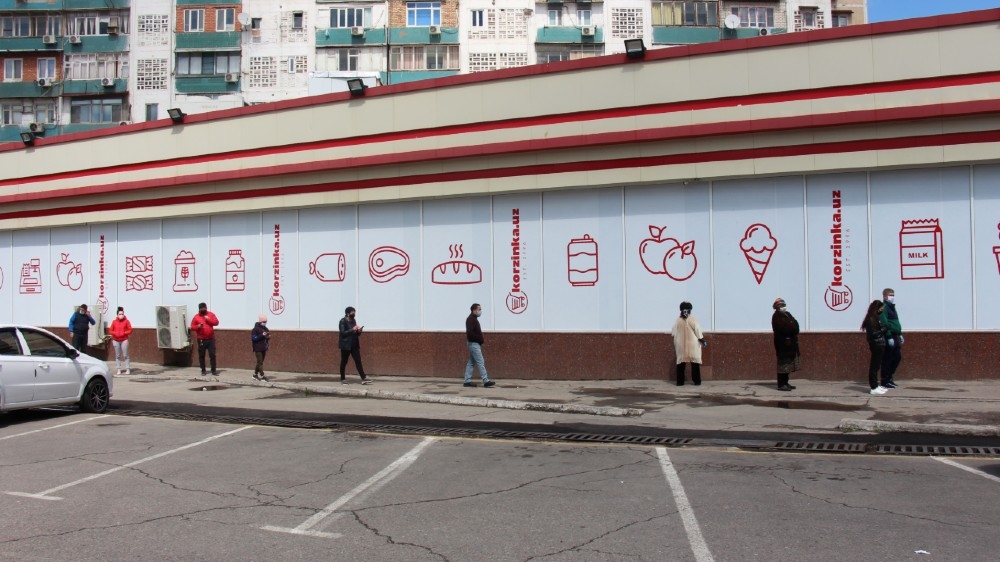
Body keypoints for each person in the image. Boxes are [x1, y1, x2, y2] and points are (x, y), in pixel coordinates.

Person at [671, 301, 707, 386]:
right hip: (693, 345)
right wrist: (702, 340)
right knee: (695, 363)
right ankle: (697, 381)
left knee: (681, 363)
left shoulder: (677, 321)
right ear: (690, 309)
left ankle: (680, 382)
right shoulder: (693, 319)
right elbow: (698, 331)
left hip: (681, 345)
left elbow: (673, 332)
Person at [771, 297, 800, 392]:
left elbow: (795, 325)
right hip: (783, 344)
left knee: (788, 365)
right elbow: (783, 328)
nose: (784, 307)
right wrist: (791, 329)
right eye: (781, 305)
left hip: (791, 344)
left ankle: (786, 382)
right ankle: (781, 384)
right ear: (777, 307)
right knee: (783, 364)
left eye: (784, 305)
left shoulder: (787, 314)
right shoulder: (776, 316)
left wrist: (792, 328)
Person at [463, 303, 495, 388]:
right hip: (473, 344)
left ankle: (467, 381)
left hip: (474, 344)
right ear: (474, 310)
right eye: (479, 309)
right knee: (481, 361)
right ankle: (485, 380)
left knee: (471, 363)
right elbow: (470, 334)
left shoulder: (473, 319)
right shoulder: (471, 320)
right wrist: (479, 339)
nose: (480, 311)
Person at [862, 300, 889, 395]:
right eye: (881, 308)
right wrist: (883, 330)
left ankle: (876, 385)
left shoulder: (876, 318)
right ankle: (873, 387)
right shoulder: (871, 319)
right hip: (876, 344)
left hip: (880, 344)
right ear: (876, 308)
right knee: (874, 366)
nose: (881, 310)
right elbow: (873, 334)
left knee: (877, 366)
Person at [339, 306, 371, 385]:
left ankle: (364, 378)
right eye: (352, 313)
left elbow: (355, 332)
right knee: (344, 361)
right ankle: (343, 379)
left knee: (358, 361)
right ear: (347, 313)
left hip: (354, 344)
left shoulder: (353, 320)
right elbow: (343, 333)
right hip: (346, 345)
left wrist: (359, 331)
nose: (354, 314)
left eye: (354, 312)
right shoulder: (342, 321)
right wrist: (352, 329)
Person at [879, 287, 903, 389]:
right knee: (887, 358)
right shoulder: (884, 307)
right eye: (890, 295)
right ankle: (885, 380)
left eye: (893, 295)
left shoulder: (892, 307)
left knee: (897, 357)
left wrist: (900, 333)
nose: (892, 297)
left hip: (896, 335)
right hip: (889, 335)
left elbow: (896, 322)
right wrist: (888, 336)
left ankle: (889, 377)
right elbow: (885, 322)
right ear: (885, 296)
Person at [190, 302, 220, 376]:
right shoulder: (196, 317)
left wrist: (209, 320)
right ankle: (203, 370)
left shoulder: (211, 314)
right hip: (201, 339)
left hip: (210, 339)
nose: (203, 309)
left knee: (212, 355)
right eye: (202, 308)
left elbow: (216, 322)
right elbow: (192, 327)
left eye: (204, 308)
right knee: (202, 355)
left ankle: (213, 370)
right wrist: (198, 326)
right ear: (199, 309)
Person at [108, 306, 133, 375]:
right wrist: (115, 333)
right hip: (116, 340)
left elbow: (130, 329)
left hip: (124, 339)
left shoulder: (126, 321)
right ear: (117, 315)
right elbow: (110, 330)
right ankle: (118, 369)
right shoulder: (114, 322)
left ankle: (127, 369)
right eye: (120, 314)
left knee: (125, 355)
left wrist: (124, 333)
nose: (121, 315)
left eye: (122, 314)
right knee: (117, 355)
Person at [251, 314, 270, 382]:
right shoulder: (255, 329)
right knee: (260, 362)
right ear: (260, 321)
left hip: (264, 347)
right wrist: (261, 335)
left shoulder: (265, 328)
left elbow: (267, 336)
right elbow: (254, 338)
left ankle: (255, 375)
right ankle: (262, 375)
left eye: (266, 322)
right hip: (258, 348)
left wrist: (268, 336)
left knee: (259, 362)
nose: (265, 323)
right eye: (264, 321)